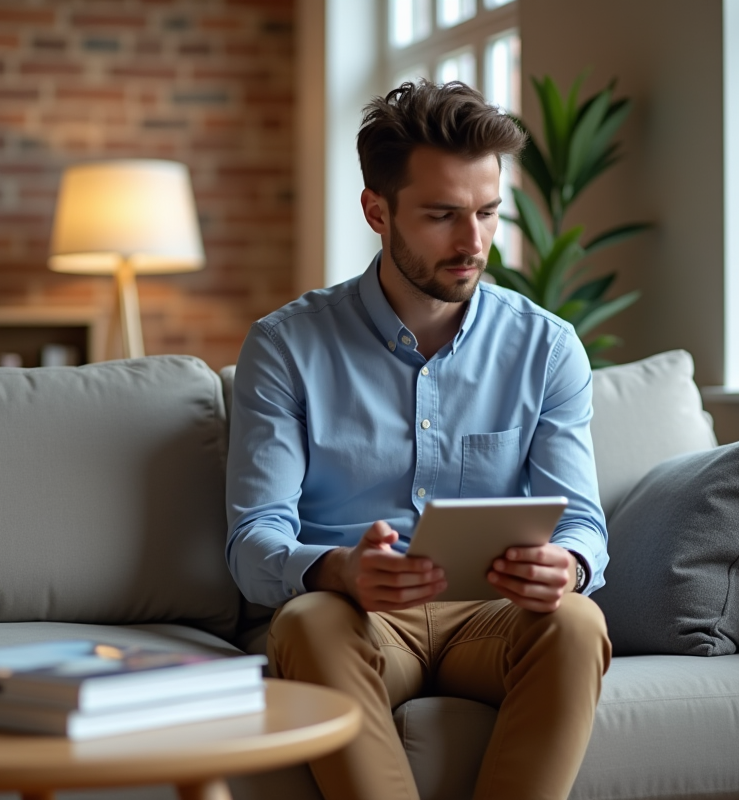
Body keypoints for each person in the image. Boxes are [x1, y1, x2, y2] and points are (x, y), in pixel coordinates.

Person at [226, 79, 611, 800]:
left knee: (578, 623)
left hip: (490, 620)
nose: (474, 243)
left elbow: (583, 522)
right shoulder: (285, 347)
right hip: (354, 618)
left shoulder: (548, 348)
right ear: (377, 211)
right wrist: (340, 570)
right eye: (442, 216)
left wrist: (569, 564)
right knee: (308, 623)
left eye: (488, 213)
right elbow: (253, 542)